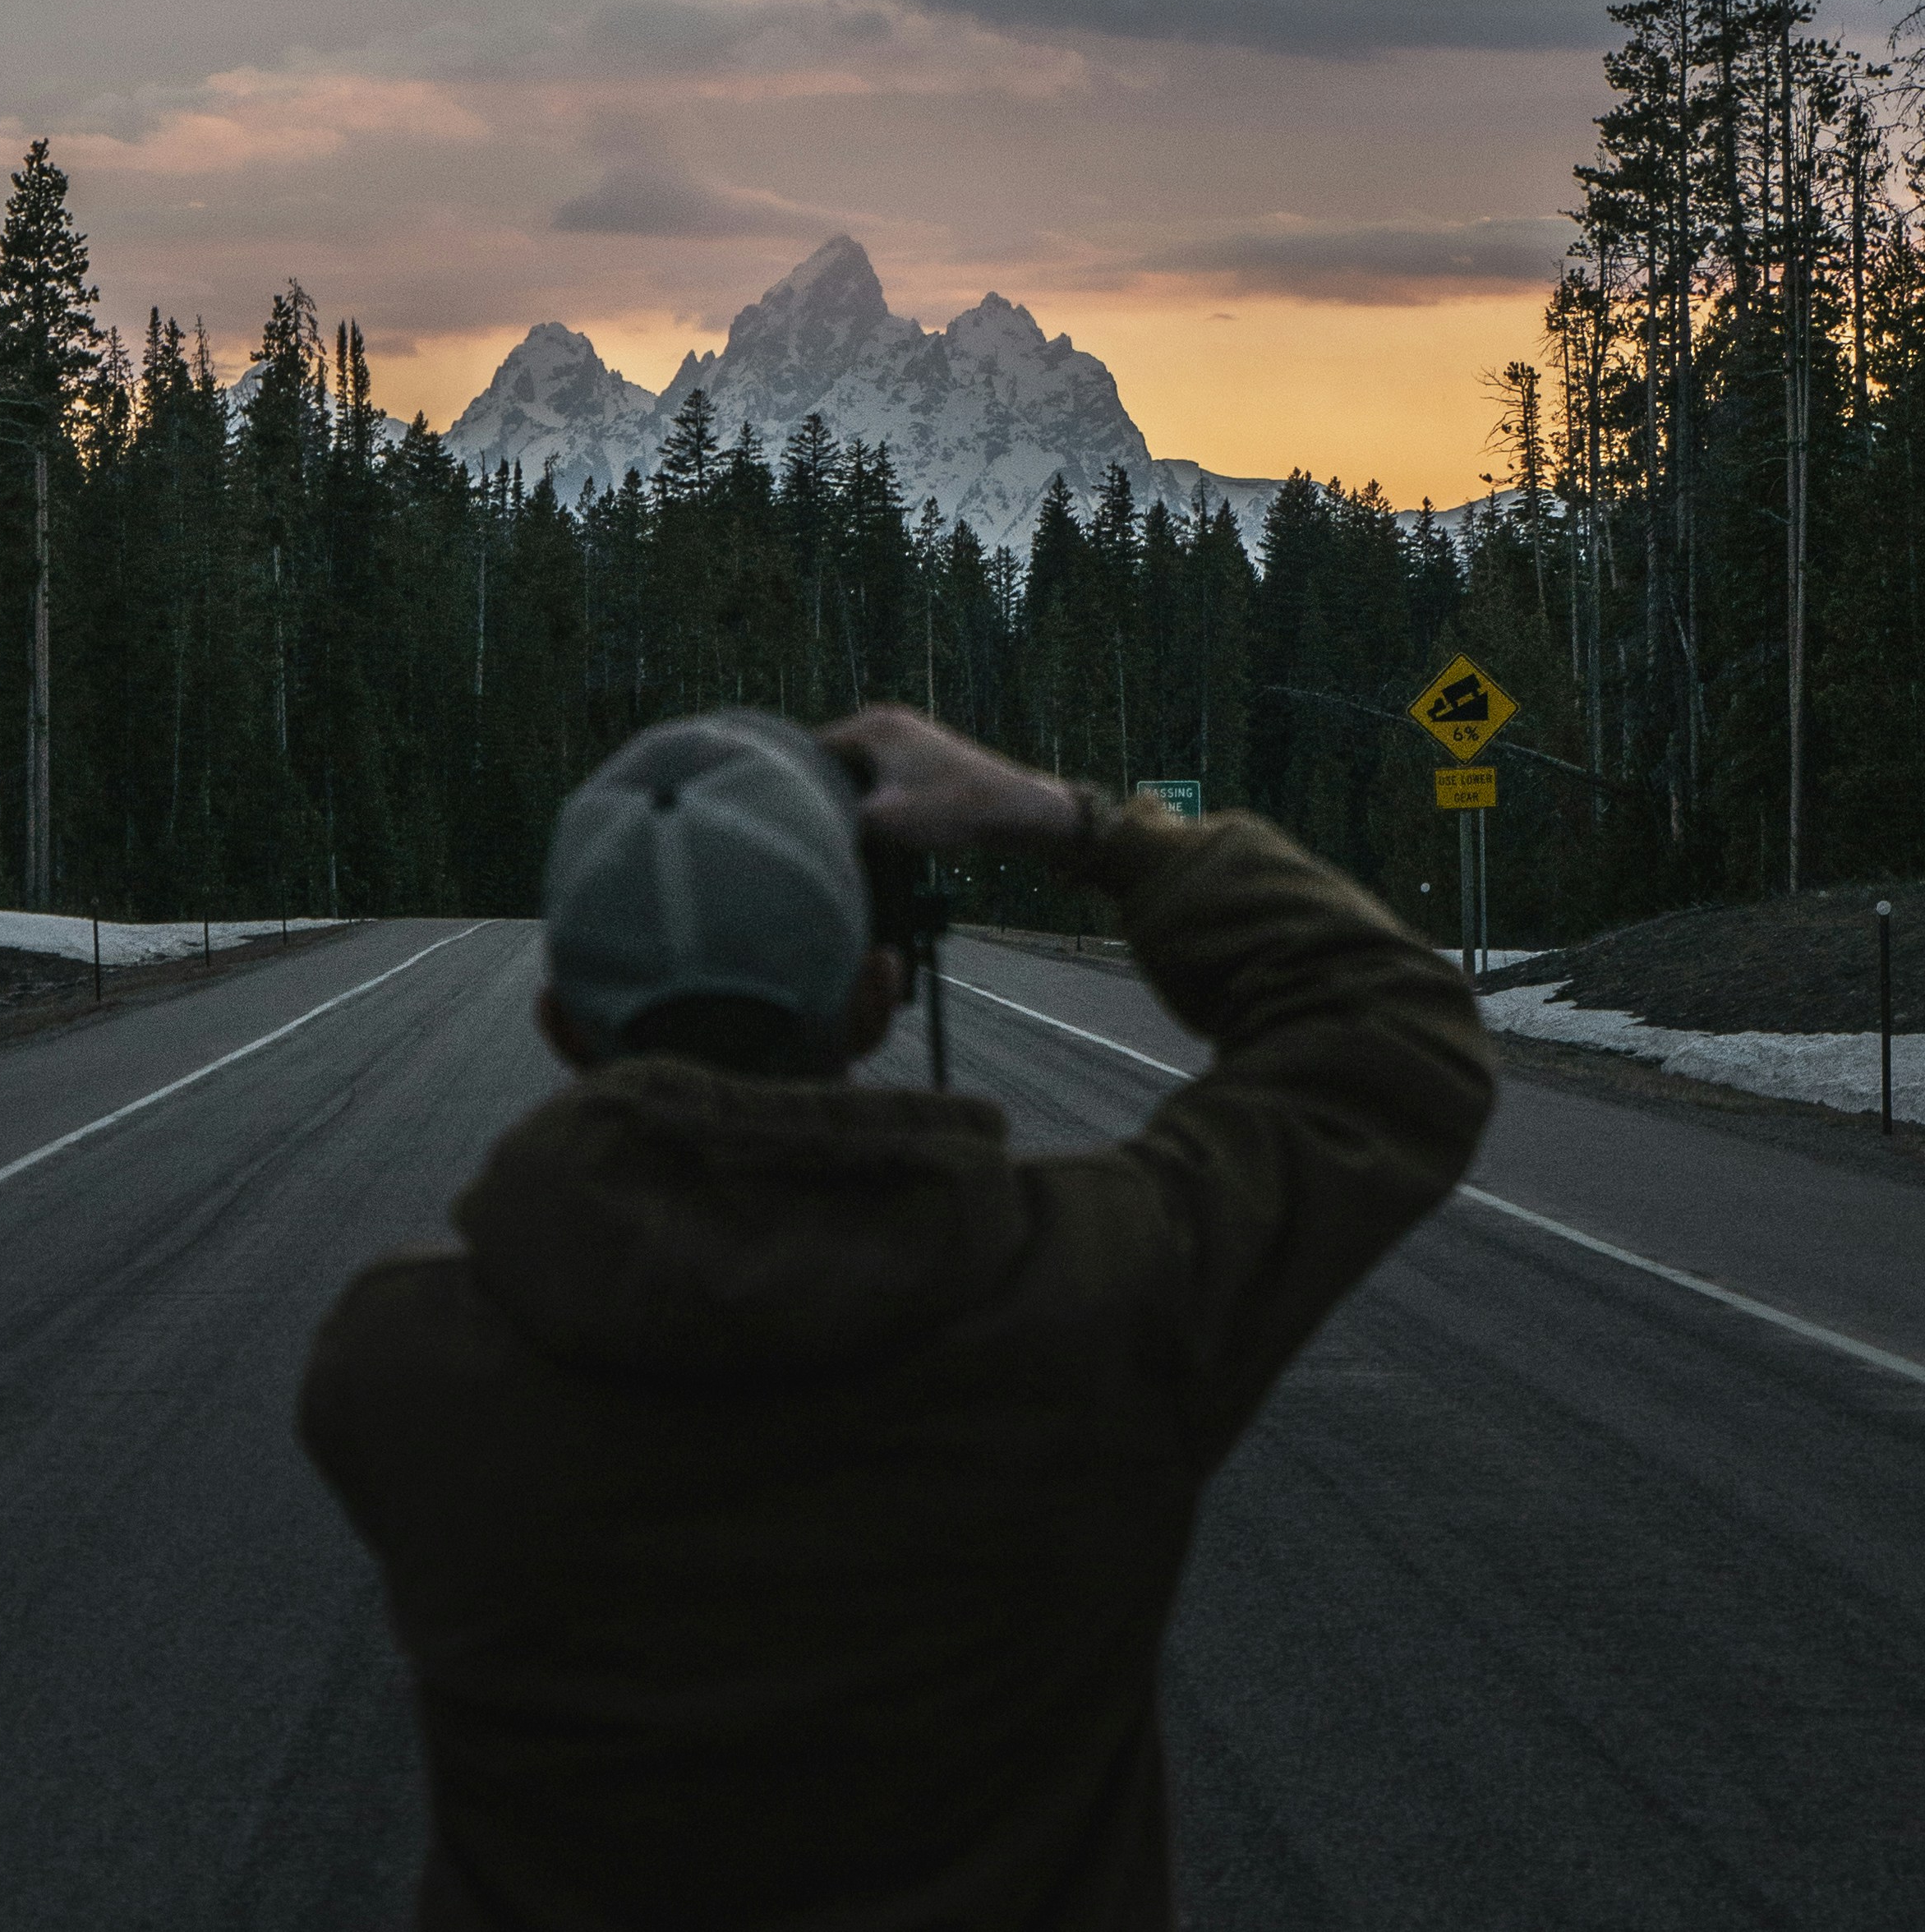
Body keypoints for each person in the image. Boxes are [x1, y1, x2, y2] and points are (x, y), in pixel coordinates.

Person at [299, 704, 1494, 1932]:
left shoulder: (395, 1364)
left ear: (560, 1023)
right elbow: (1389, 1024)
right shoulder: (1098, 1287)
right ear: (878, 995)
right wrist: (1074, 821)